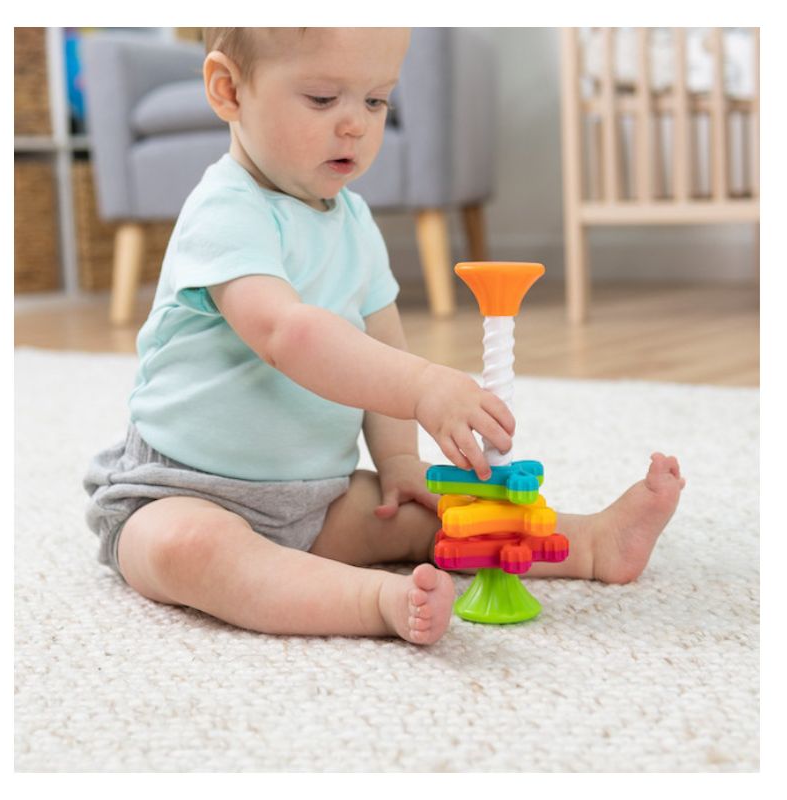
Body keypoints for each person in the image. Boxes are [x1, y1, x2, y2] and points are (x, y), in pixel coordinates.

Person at [84, 27, 685, 645]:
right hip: (180, 493)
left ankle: (591, 543)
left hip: (318, 499)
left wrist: (399, 461)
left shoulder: (354, 220)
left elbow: (383, 343)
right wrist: (422, 387)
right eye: (323, 99)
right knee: (193, 549)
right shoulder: (225, 211)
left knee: (440, 514)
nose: (355, 125)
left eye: (376, 100)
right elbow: (287, 334)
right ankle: (373, 602)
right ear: (229, 90)